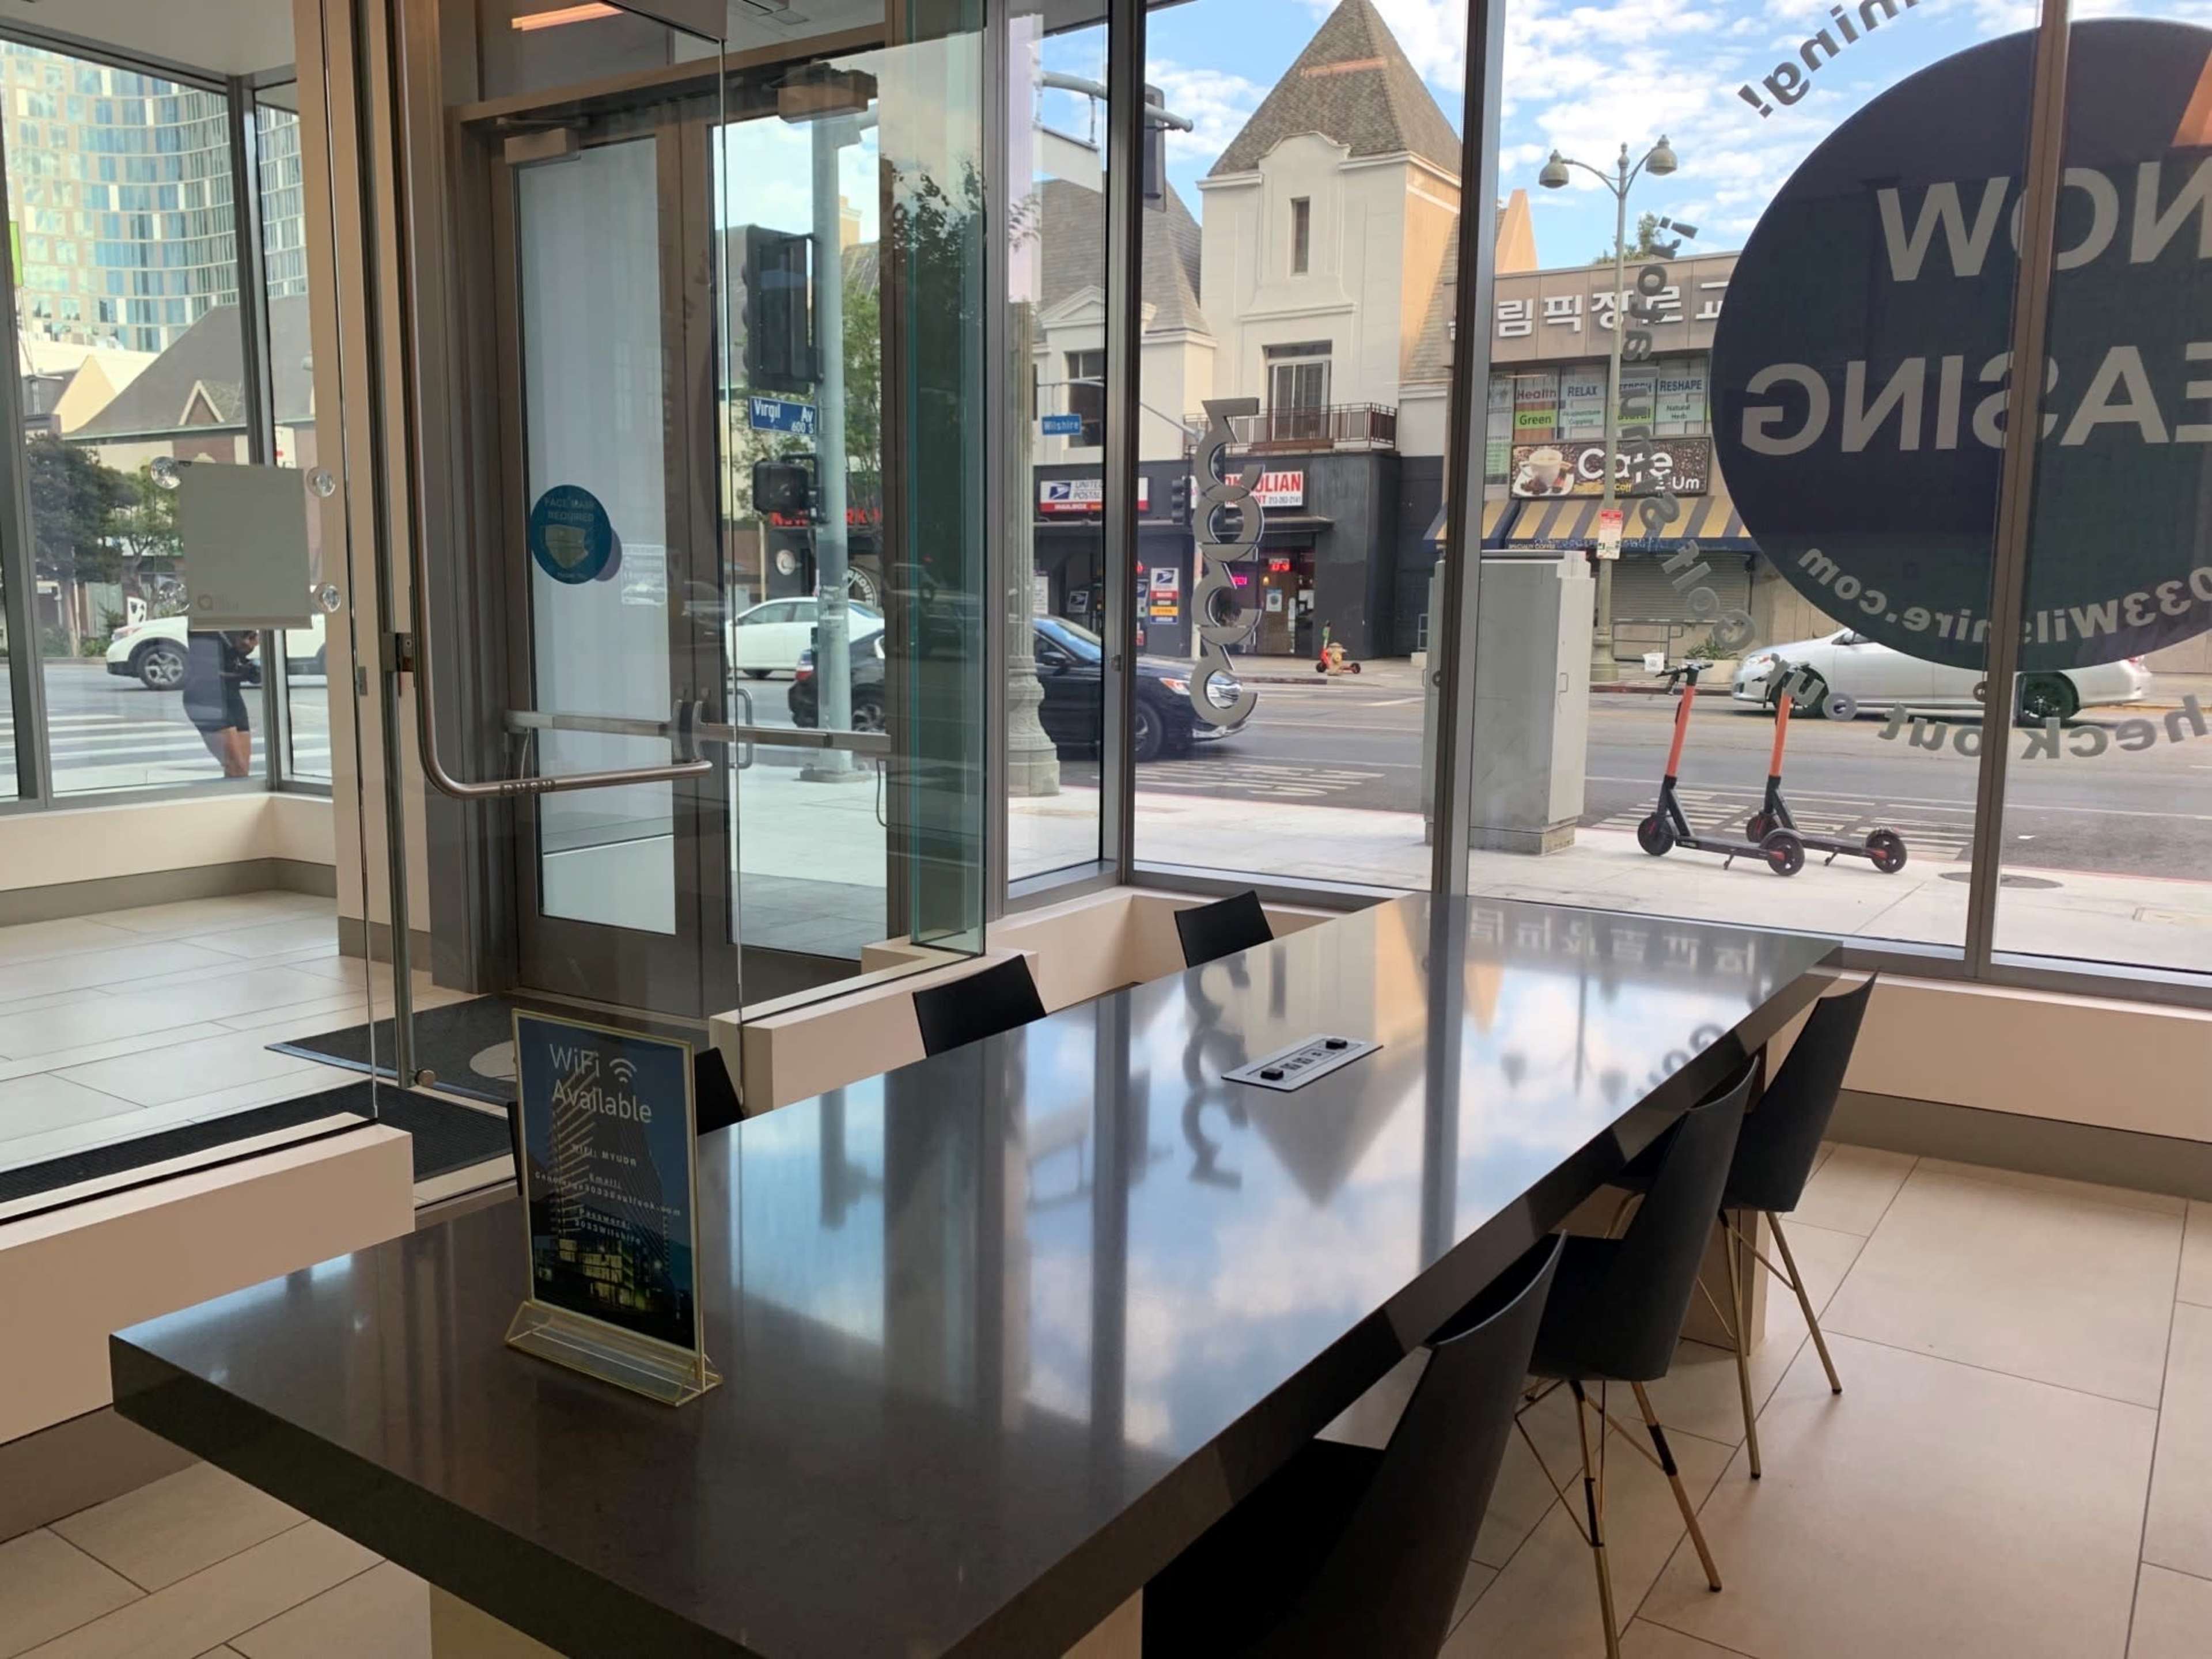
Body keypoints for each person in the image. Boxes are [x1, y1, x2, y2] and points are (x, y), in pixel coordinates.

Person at [180, 629, 259, 777]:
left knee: (241, 771)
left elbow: (239, 655)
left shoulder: (238, 619)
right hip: (207, 695)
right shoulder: (203, 624)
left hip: (232, 693)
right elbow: (206, 667)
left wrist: (247, 647)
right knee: (236, 768)